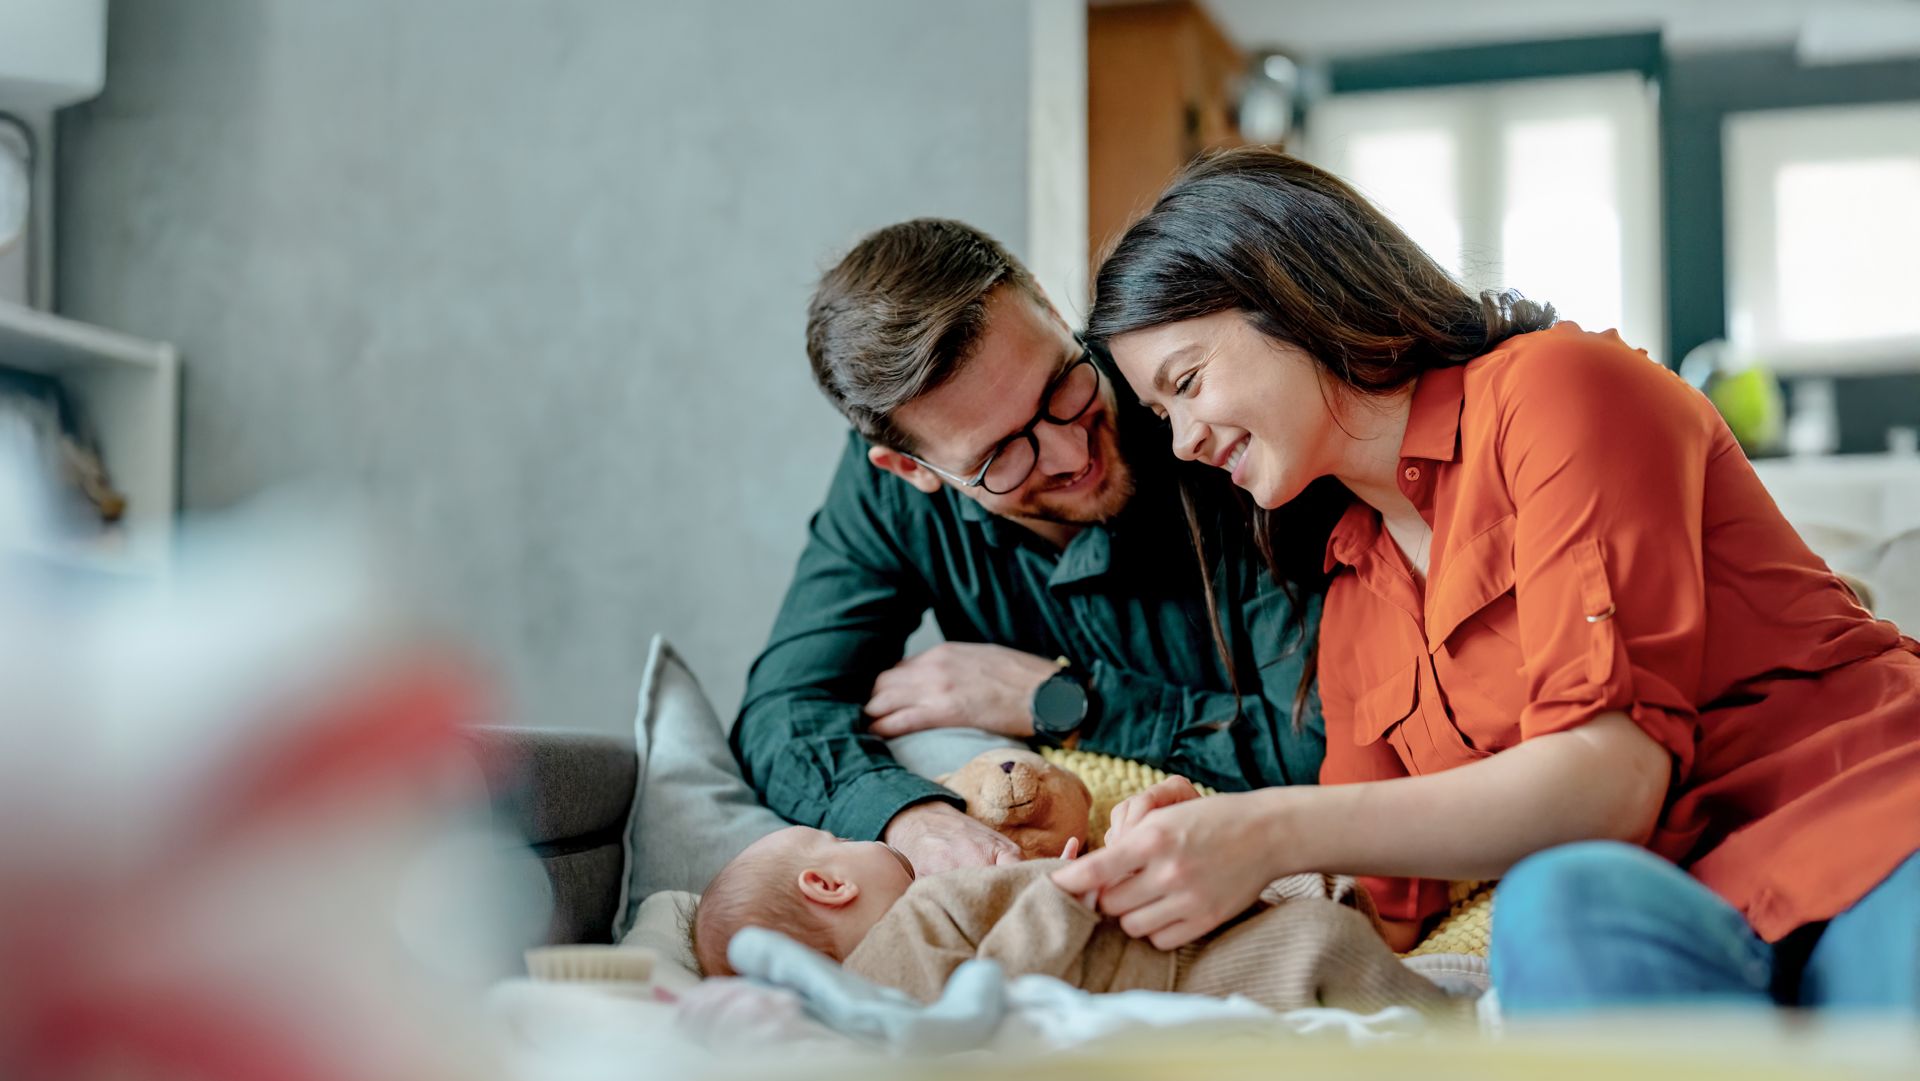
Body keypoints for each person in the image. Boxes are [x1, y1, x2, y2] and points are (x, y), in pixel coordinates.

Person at [1053, 147, 1920, 1013]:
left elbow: (1608, 781)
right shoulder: (1354, 592)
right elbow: (1378, 905)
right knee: (1554, 908)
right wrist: (1181, 859)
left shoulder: (1555, 389)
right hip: (1689, 913)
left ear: (1287, 290)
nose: (1184, 442)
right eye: (1164, 415)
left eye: (1189, 382)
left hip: (1871, 821)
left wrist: (1264, 830)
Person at [731, 219, 1326, 876]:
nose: (1073, 453)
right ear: (913, 471)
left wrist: (1065, 702)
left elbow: (1323, 750)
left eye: (1061, 386)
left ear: (1046, 304)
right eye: (1001, 456)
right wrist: (912, 820)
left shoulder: (1210, 419)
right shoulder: (888, 500)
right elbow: (782, 714)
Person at [687, 825, 1458, 1018]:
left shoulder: (901, 954)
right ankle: (1462, 1031)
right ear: (826, 884)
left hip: (1139, 950)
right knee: (1317, 945)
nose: (867, 842)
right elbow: (994, 994)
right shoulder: (901, 942)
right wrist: (1067, 895)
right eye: (835, 844)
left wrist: (1050, 879)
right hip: (1165, 972)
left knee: (1300, 912)